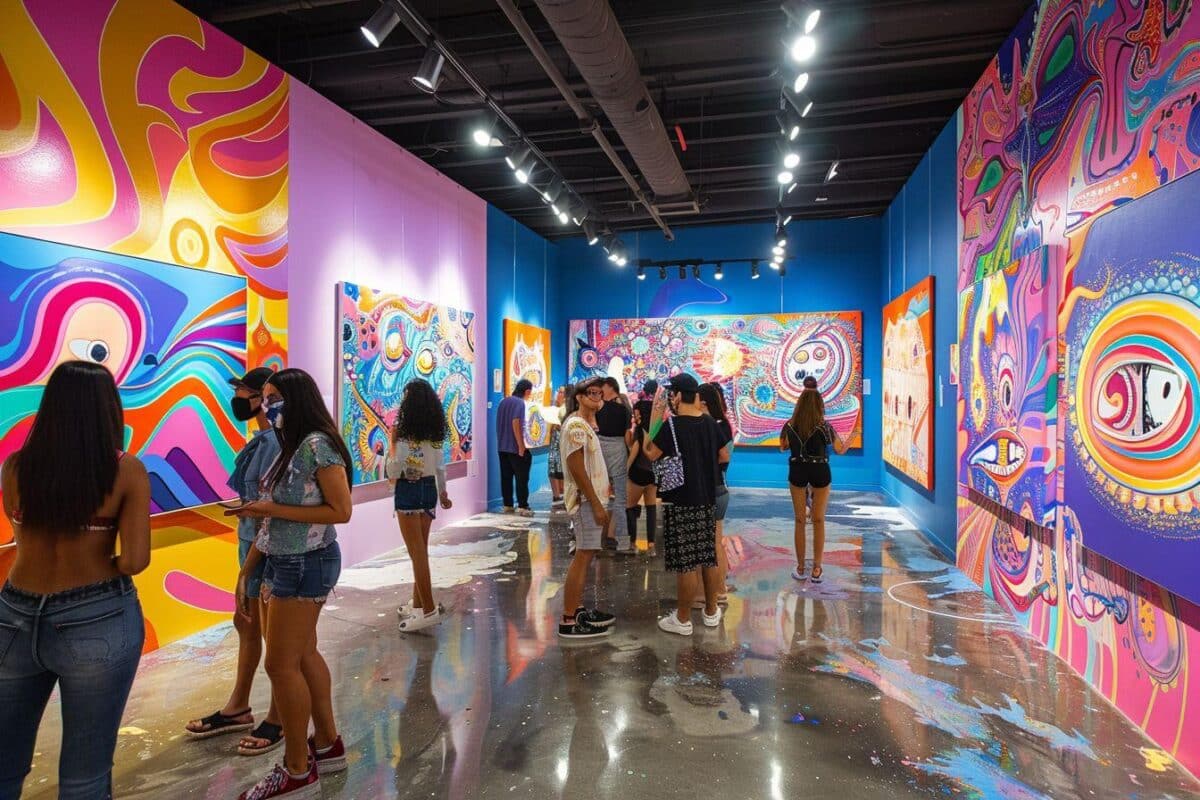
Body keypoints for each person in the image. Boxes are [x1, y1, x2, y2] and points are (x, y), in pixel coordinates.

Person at [0, 361, 151, 799]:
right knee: (85, 777)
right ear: (108, 409)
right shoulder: (125, 470)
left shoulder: (15, 467)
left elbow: (20, 535)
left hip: (12, 613)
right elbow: (135, 560)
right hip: (96, 616)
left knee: (4, 764)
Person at [230, 368, 353, 799]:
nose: (266, 406)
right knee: (301, 655)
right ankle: (328, 744)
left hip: (306, 563)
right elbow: (271, 517)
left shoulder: (317, 445)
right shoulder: (291, 445)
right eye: (264, 398)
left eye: (272, 398)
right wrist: (248, 569)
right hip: (284, 560)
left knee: (281, 665)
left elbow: (341, 511)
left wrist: (271, 510)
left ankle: (298, 770)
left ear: (296, 399)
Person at [186, 366, 285, 756]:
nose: (239, 398)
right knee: (247, 623)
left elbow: (272, 507)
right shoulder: (262, 439)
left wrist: (249, 566)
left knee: (275, 636)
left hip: (266, 549)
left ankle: (279, 715)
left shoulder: (275, 443)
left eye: (244, 391)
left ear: (261, 397)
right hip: (251, 544)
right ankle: (238, 706)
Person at [643, 374, 730, 636]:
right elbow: (723, 455)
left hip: (681, 499)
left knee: (686, 563)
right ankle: (711, 612)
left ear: (679, 396)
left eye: (672, 394)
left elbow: (650, 452)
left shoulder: (672, 426)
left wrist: (654, 417)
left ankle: (682, 619)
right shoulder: (710, 423)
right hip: (707, 498)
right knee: (707, 556)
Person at [388, 379, 453, 633]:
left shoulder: (403, 433)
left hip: (409, 490)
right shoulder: (433, 433)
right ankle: (417, 605)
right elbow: (440, 466)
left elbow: (395, 468)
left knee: (417, 553)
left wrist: (391, 446)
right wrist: (443, 492)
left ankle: (428, 609)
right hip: (428, 490)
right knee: (421, 551)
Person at [557, 378, 617, 639]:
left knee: (586, 555)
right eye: (591, 393)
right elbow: (577, 468)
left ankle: (577, 608)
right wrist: (594, 503)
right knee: (583, 556)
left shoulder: (583, 424)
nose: (597, 397)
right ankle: (569, 619)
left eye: (599, 393)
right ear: (579, 397)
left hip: (590, 501)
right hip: (585, 503)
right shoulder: (576, 426)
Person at [780, 388, 852, 584]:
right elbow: (840, 449)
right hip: (820, 470)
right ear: (820, 406)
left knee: (799, 520)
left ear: (799, 405)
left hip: (797, 470)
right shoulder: (825, 427)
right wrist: (854, 434)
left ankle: (801, 567)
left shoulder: (790, 425)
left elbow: (783, 446)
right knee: (818, 520)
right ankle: (817, 569)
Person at [698, 382, 734, 602]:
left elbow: (723, 457)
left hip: (710, 488)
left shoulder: (711, 426)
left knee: (712, 543)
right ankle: (720, 587)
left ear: (703, 403)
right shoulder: (724, 425)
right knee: (716, 542)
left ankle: (717, 590)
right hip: (720, 486)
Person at [595, 377, 631, 551]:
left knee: (598, 494)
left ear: (610, 387)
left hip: (599, 450)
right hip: (618, 450)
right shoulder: (625, 409)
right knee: (620, 498)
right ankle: (615, 538)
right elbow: (627, 436)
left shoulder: (598, 407)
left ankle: (595, 537)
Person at [624, 400, 659, 557]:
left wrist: (626, 470)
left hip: (637, 473)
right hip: (652, 474)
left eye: (636, 413)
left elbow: (634, 451)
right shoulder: (655, 430)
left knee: (630, 507)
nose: (635, 416)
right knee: (651, 509)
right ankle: (651, 546)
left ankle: (633, 543)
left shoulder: (640, 431)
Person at [496, 380, 534, 517]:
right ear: (527, 391)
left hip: (502, 447)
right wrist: (521, 446)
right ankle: (523, 506)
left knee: (506, 477)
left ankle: (508, 505)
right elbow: (515, 422)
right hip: (515, 448)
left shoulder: (503, 402)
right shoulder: (520, 403)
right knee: (521, 478)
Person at [547, 386, 568, 506]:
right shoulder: (555, 408)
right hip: (554, 442)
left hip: (562, 442)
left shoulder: (566, 409)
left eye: (561, 392)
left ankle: (562, 494)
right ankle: (557, 495)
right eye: (558, 392)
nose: (559, 394)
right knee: (553, 468)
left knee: (561, 468)